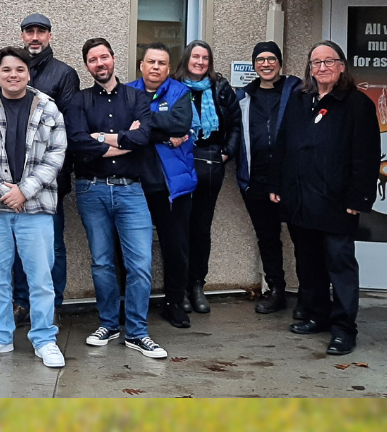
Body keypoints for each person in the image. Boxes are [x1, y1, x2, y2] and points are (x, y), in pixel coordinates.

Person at [270, 41, 380, 356]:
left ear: (342, 67)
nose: (322, 68)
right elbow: (283, 144)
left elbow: (367, 155)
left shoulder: (358, 104)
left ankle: (344, 329)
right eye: (316, 62)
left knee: (339, 264)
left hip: (337, 202)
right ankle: (317, 315)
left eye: (329, 62)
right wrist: (277, 183)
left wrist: (359, 197)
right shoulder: (299, 99)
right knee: (308, 263)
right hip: (301, 198)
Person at [0, 46, 67, 368]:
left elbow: (56, 155)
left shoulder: (47, 108)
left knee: (40, 279)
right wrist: (2, 192)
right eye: (7, 69)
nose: (13, 75)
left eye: (20, 69)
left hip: (35, 209)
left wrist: (24, 190)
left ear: (28, 72)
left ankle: (44, 339)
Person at [67, 38, 167, 359]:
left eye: (104, 57)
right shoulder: (78, 101)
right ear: (87, 66)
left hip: (131, 189)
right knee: (102, 262)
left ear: (113, 58)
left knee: (140, 263)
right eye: (93, 59)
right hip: (91, 189)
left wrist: (102, 138)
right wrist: (124, 138)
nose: (100, 63)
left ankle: (137, 332)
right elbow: (78, 144)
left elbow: (143, 137)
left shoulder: (136, 97)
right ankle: (109, 324)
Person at [12, 13, 80, 325]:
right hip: (14, 180)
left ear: (49, 36)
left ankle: (51, 303)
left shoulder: (64, 74)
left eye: (41, 31)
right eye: (29, 32)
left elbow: (66, 130)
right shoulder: (13, 71)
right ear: (23, 36)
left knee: (51, 244)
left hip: (49, 179)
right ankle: (23, 301)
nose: (35, 37)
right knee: (18, 244)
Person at [125, 42, 197, 329]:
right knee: (129, 250)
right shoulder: (127, 91)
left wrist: (142, 125)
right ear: (141, 65)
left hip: (172, 186)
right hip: (135, 184)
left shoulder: (181, 92)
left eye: (162, 63)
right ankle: (129, 306)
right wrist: (161, 134)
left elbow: (180, 123)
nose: (156, 67)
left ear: (169, 68)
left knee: (175, 247)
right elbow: (121, 129)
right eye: (151, 62)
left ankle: (174, 304)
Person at [235, 41, 302, 315]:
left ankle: (310, 295)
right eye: (260, 59)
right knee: (268, 238)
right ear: (254, 65)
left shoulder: (297, 92)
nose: (266, 63)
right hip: (256, 181)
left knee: (303, 238)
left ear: (280, 63)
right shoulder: (243, 97)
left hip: (292, 180)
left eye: (271, 58)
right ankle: (276, 291)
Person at [174, 39, 240, 314]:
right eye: (196, 57)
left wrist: (226, 153)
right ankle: (178, 290)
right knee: (179, 229)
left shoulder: (220, 88)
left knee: (201, 229)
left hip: (210, 163)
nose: (200, 62)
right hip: (179, 163)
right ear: (187, 58)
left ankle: (197, 285)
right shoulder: (173, 87)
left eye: (205, 58)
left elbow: (235, 123)